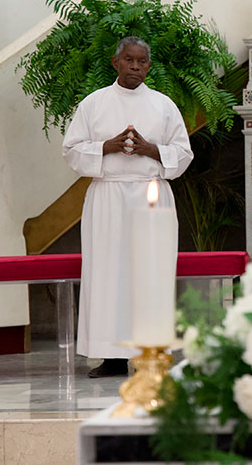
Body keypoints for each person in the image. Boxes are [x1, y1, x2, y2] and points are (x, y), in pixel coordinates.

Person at [62, 36, 194, 377]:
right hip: (108, 196)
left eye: (142, 61)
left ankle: (150, 352)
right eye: (129, 60)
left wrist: (152, 150)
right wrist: (106, 146)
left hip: (151, 197)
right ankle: (111, 356)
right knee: (107, 274)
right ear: (115, 62)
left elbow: (183, 153)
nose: (135, 66)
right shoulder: (93, 103)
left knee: (150, 273)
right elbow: (71, 150)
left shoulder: (164, 105)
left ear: (149, 66)